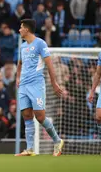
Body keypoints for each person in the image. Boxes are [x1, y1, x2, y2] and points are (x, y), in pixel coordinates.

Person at [15, 19, 64, 157]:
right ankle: (30, 148)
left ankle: (57, 140)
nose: (19, 30)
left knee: (40, 116)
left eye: (21, 27)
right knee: (26, 115)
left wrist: (54, 83)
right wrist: (18, 78)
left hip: (36, 84)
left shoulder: (40, 43)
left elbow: (49, 64)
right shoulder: (23, 47)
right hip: (24, 86)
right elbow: (20, 64)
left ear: (26, 29)